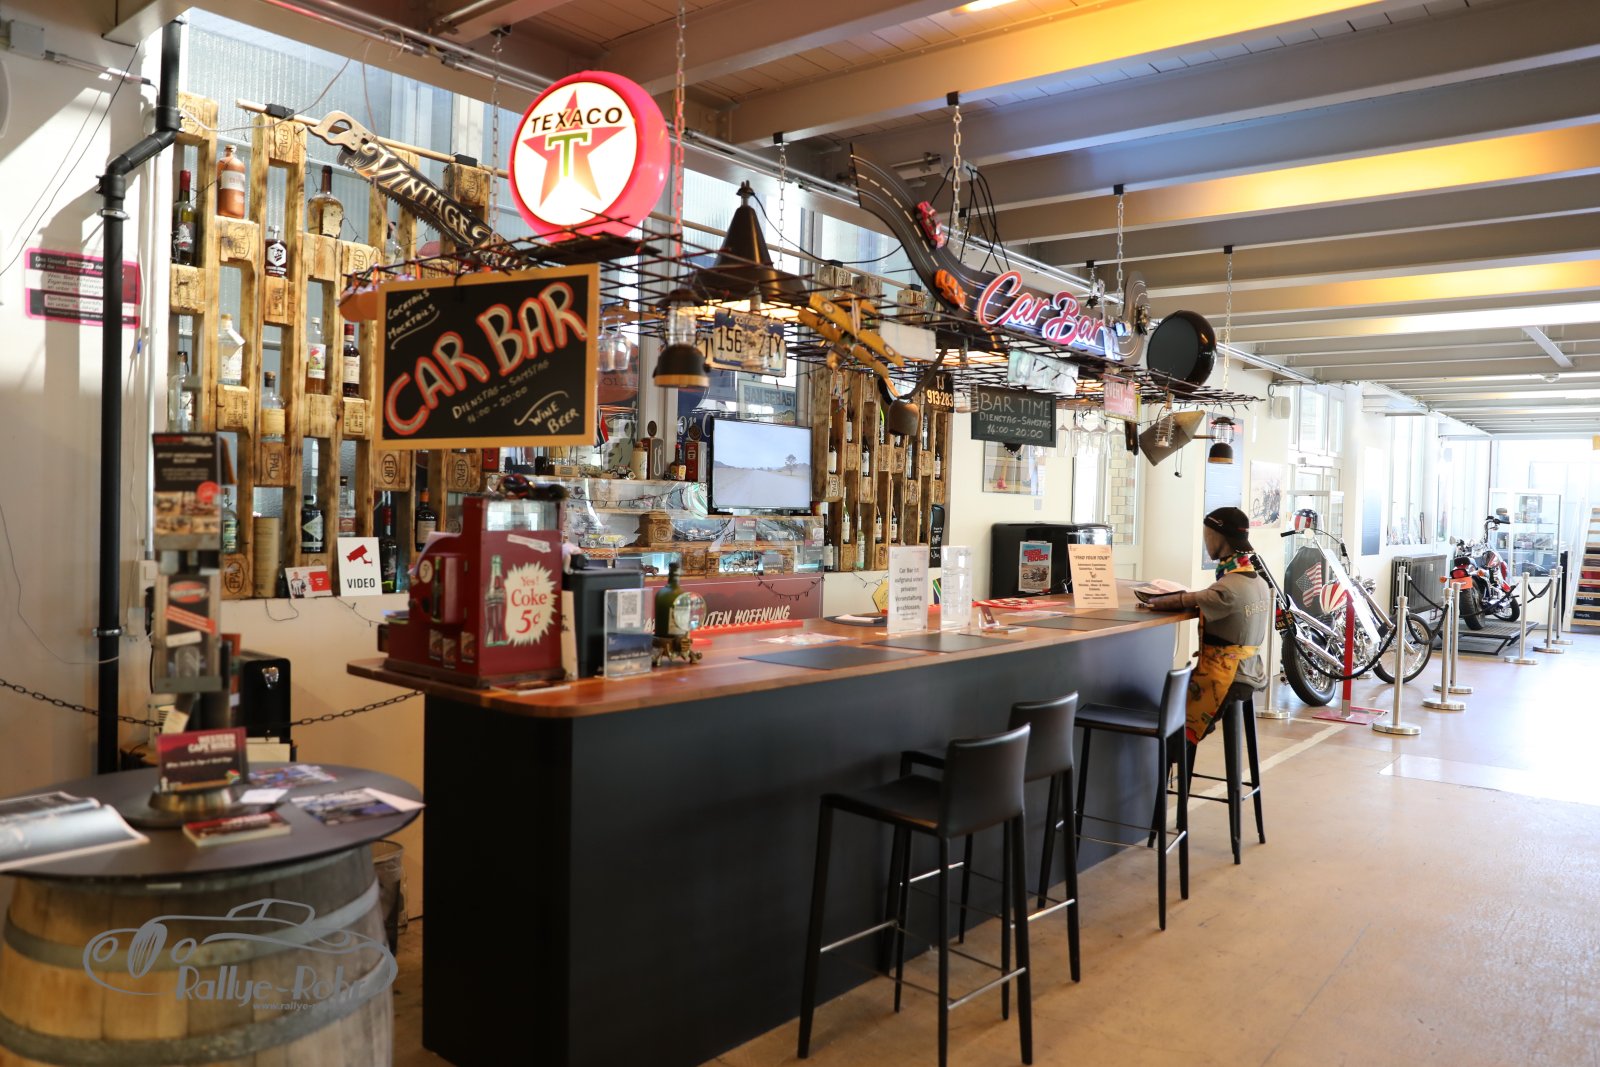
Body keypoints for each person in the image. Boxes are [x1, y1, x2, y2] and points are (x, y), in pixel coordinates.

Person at [1142, 506, 1273, 769]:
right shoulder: (1257, 580)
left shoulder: (1229, 588)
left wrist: (1151, 601)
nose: (1205, 540)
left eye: (1207, 534)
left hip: (1226, 677)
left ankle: (1159, 780)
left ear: (1218, 537)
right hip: (1251, 670)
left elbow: (1189, 599)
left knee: (1166, 716)